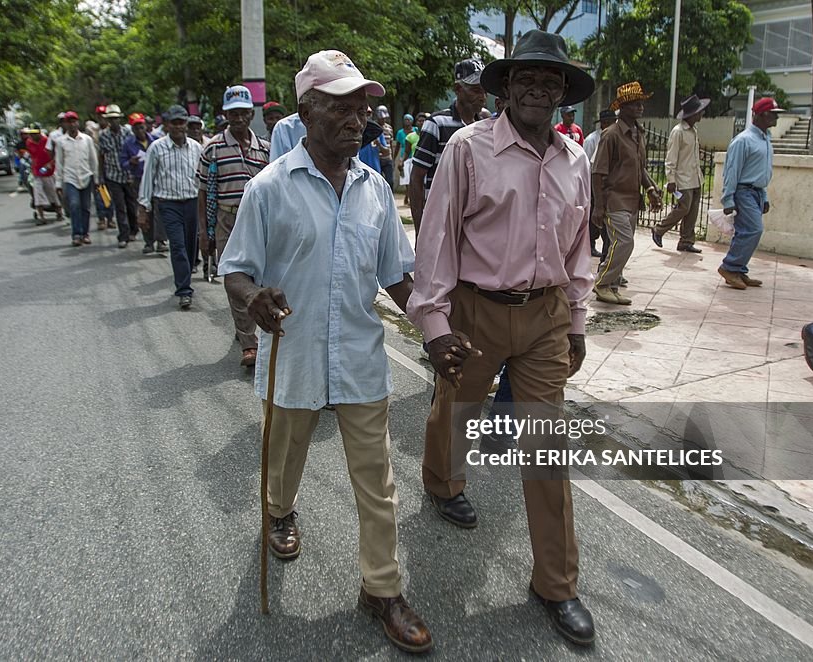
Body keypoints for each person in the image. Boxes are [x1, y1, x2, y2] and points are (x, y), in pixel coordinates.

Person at [218, 49, 432, 654]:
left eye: (361, 104)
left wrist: (435, 329)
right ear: (306, 110)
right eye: (340, 104)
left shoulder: (374, 190)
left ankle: (382, 590)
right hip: (295, 355)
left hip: (361, 358)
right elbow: (235, 270)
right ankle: (280, 512)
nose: (357, 116)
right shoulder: (269, 188)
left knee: (378, 481)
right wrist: (254, 297)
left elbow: (398, 277)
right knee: (284, 459)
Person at [408, 28, 596, 648]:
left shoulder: (575, 161)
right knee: (456, 411)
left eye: (550, 80)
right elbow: (435, 240)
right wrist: (434, 325)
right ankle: (442, 481)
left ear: (563, 93)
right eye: (527, 78)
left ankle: (557, 584)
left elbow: (578, 251)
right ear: (507, 88)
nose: (538, 88)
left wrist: (575, 323)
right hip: (476, 309)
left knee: (547, 448)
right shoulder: (468, 149)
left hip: (543, 316)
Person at [197, 85, 270, 367]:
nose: (238, 119)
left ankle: (255, 330)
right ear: (225, 115)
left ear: (251, 114)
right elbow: (202, 192)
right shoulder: (213, 148)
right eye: (232, 114)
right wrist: (204, 232)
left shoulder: (264, 148)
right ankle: (248, 343)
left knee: (261, 277)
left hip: (258, 221)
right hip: (227, 219)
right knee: (236, 280)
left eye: (242, 113)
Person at [591, 82, 663, 305]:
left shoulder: (638, 134)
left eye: (641, 102)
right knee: (625, 242)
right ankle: (602, 283)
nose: (640, 107)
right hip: (614, 200)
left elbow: (639, 168)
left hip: (632, 201)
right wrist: (599, 206)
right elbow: (597, 172)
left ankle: (611, 286)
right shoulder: (611, 135)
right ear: (622, 107)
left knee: (619, 244)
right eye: (634, 103)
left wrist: (651, 189)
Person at [409, 58, 487, 235]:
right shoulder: (436, 124)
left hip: (472, 223)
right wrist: (421, 230)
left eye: (484, 91)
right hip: (440, 221)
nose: (482, 97)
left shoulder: (484, 127)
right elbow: (416, 178)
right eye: (475, 90)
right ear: (458, 89)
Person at [138, 105, 202, 309]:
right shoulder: (157, 148)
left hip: (192, 202)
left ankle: (187, 273)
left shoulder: (196, 147)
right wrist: (144, 207)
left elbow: (201, 177)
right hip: (168, 203)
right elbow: (148, 177)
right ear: (166, 125)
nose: (178, 127)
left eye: (181, 122)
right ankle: (184, 290)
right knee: (177, 246)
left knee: (192, 247)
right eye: (174, 123)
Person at [718, 97, 784, 289]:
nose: (776, 119)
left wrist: (764, 196)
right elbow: (732, 171)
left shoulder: (765, 139)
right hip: (743, 191)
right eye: (773, 114)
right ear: (762, 115)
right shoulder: (743, 141)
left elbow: (762, 171)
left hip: (756, 192)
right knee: (753, 230)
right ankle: (729, 267)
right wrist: (728, 198)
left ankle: (738, 269)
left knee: (747, 232)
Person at [651, 94, 709, 254]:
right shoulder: (678, 132)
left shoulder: (693, 131)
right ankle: (659, 229)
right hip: (682, 179)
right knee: (683, 208)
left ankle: (686, 240)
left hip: (695, 177)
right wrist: (671, 180)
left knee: (693, 210)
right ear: (692, 114)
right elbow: (671, 158)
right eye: (699, 112)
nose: (701, 114)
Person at [121, 113, 168, 255]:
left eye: (142, 126)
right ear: (133, 130)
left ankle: (161, 241)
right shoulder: (128, 144)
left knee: (160, 211)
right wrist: (131, 162)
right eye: (136, 127)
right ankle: (148, 242)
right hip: (139, 181)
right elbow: (122, 163)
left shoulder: (156, 141)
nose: (140, 130)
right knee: (144, 210)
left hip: (157, 181)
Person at [54, 111, 101, 247]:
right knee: (74, 205)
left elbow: (93, 161)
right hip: (70, 178)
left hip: (86, 176)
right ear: (66, 124)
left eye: (74, 121)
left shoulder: (87, 139)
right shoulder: (61, 142)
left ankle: (85, 233)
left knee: (86, 207)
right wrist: (58, 183)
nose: (72, 124)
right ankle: (76, 234)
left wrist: (96, 179)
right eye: (69, 122)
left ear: (78, 123)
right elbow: (59, 163)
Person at [99, 104, 137, 248]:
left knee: (131, 205)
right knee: (119, 207)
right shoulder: (104, 135)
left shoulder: (128, 132)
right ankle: (123, 235)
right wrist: (101, 176)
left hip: (128, 174)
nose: (114, 121)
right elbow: (101, 156)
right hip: (113, 175)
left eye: (116, 118)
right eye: (111, 119)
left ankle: (134, 229)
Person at [583, 109, 616, 258]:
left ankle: (605, 251)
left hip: (608, 187)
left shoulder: (613, 137)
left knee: (606, 225)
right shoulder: (592, 140)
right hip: (593, 183)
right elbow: (586, 164)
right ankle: (590, 245)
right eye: (610, 122)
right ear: (603, 123)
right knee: (593, 218)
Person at [24, 126, 62, 225]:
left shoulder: (47, 141)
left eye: (34, 133)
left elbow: (56, 154)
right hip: (37, 172)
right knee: (38, 193)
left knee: (53, 193)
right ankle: (41, 217)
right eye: (31, 133)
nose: (32, 135)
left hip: (49, 171)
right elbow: (31, 155)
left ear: (39, 133)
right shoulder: (29, 142)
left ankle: (59, 212)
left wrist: (51, 163)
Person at [375, 104, 395, 188]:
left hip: (387, 159)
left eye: (384, 118)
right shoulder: (374, 127)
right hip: (377, 158)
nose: (383, 119)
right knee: (377, 182)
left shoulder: (389, 128)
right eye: (381, 118)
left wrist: (392, 159)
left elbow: (390, 144)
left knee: (390, 181)